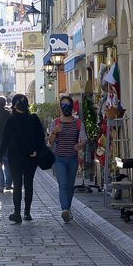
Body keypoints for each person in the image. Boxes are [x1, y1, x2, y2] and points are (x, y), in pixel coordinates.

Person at [0, 93, 45, 223]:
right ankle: (27, 212)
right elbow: (41, 136)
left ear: (14, 105)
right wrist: (36, 150)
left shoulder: (11, 120)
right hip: (31, 156)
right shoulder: (34, 118)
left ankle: (17, 213)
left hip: (15, 157)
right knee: (29, 184)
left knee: (17, 184)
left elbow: (5, 140)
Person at [48, 94, 85, 223]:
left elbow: (83, 138)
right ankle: (64, 209)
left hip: (73, 159)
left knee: (70, 185)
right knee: (63, 184)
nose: (66, 107)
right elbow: (50, 142)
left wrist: (80, 144)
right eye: (63, 105)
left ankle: (68, 210)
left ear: (72, 107)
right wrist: (54, 132)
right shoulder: (55, 123)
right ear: (60, 107)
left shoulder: (78, 123)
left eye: (68, 105)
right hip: (59, 159)